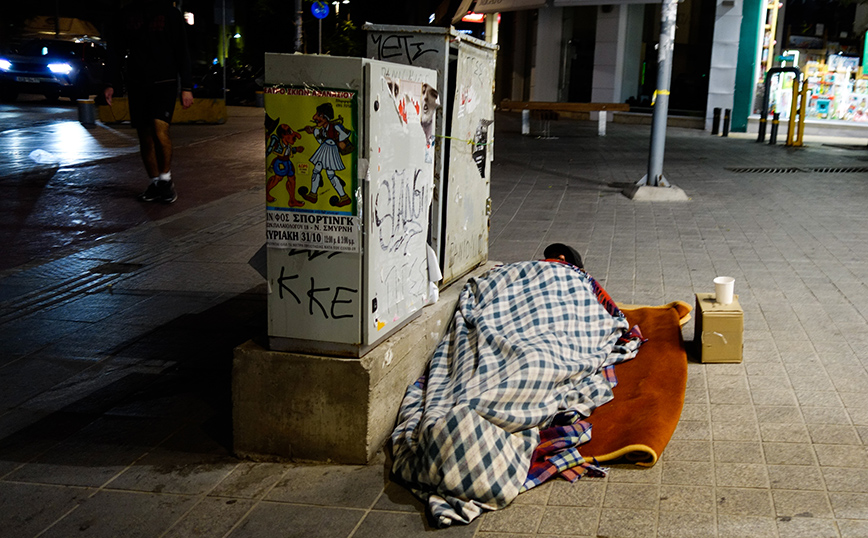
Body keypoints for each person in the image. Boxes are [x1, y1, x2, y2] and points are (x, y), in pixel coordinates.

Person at [103, 0, 194, 204]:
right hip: (137, 83)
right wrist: (110, 82)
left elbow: (182, 49)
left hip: (165, 82)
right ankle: (154, 183)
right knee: (144, 135)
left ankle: (165, 179)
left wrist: (186, 87)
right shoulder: (126, 14)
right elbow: (115, 50)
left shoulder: (170, 13)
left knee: (159, 128)